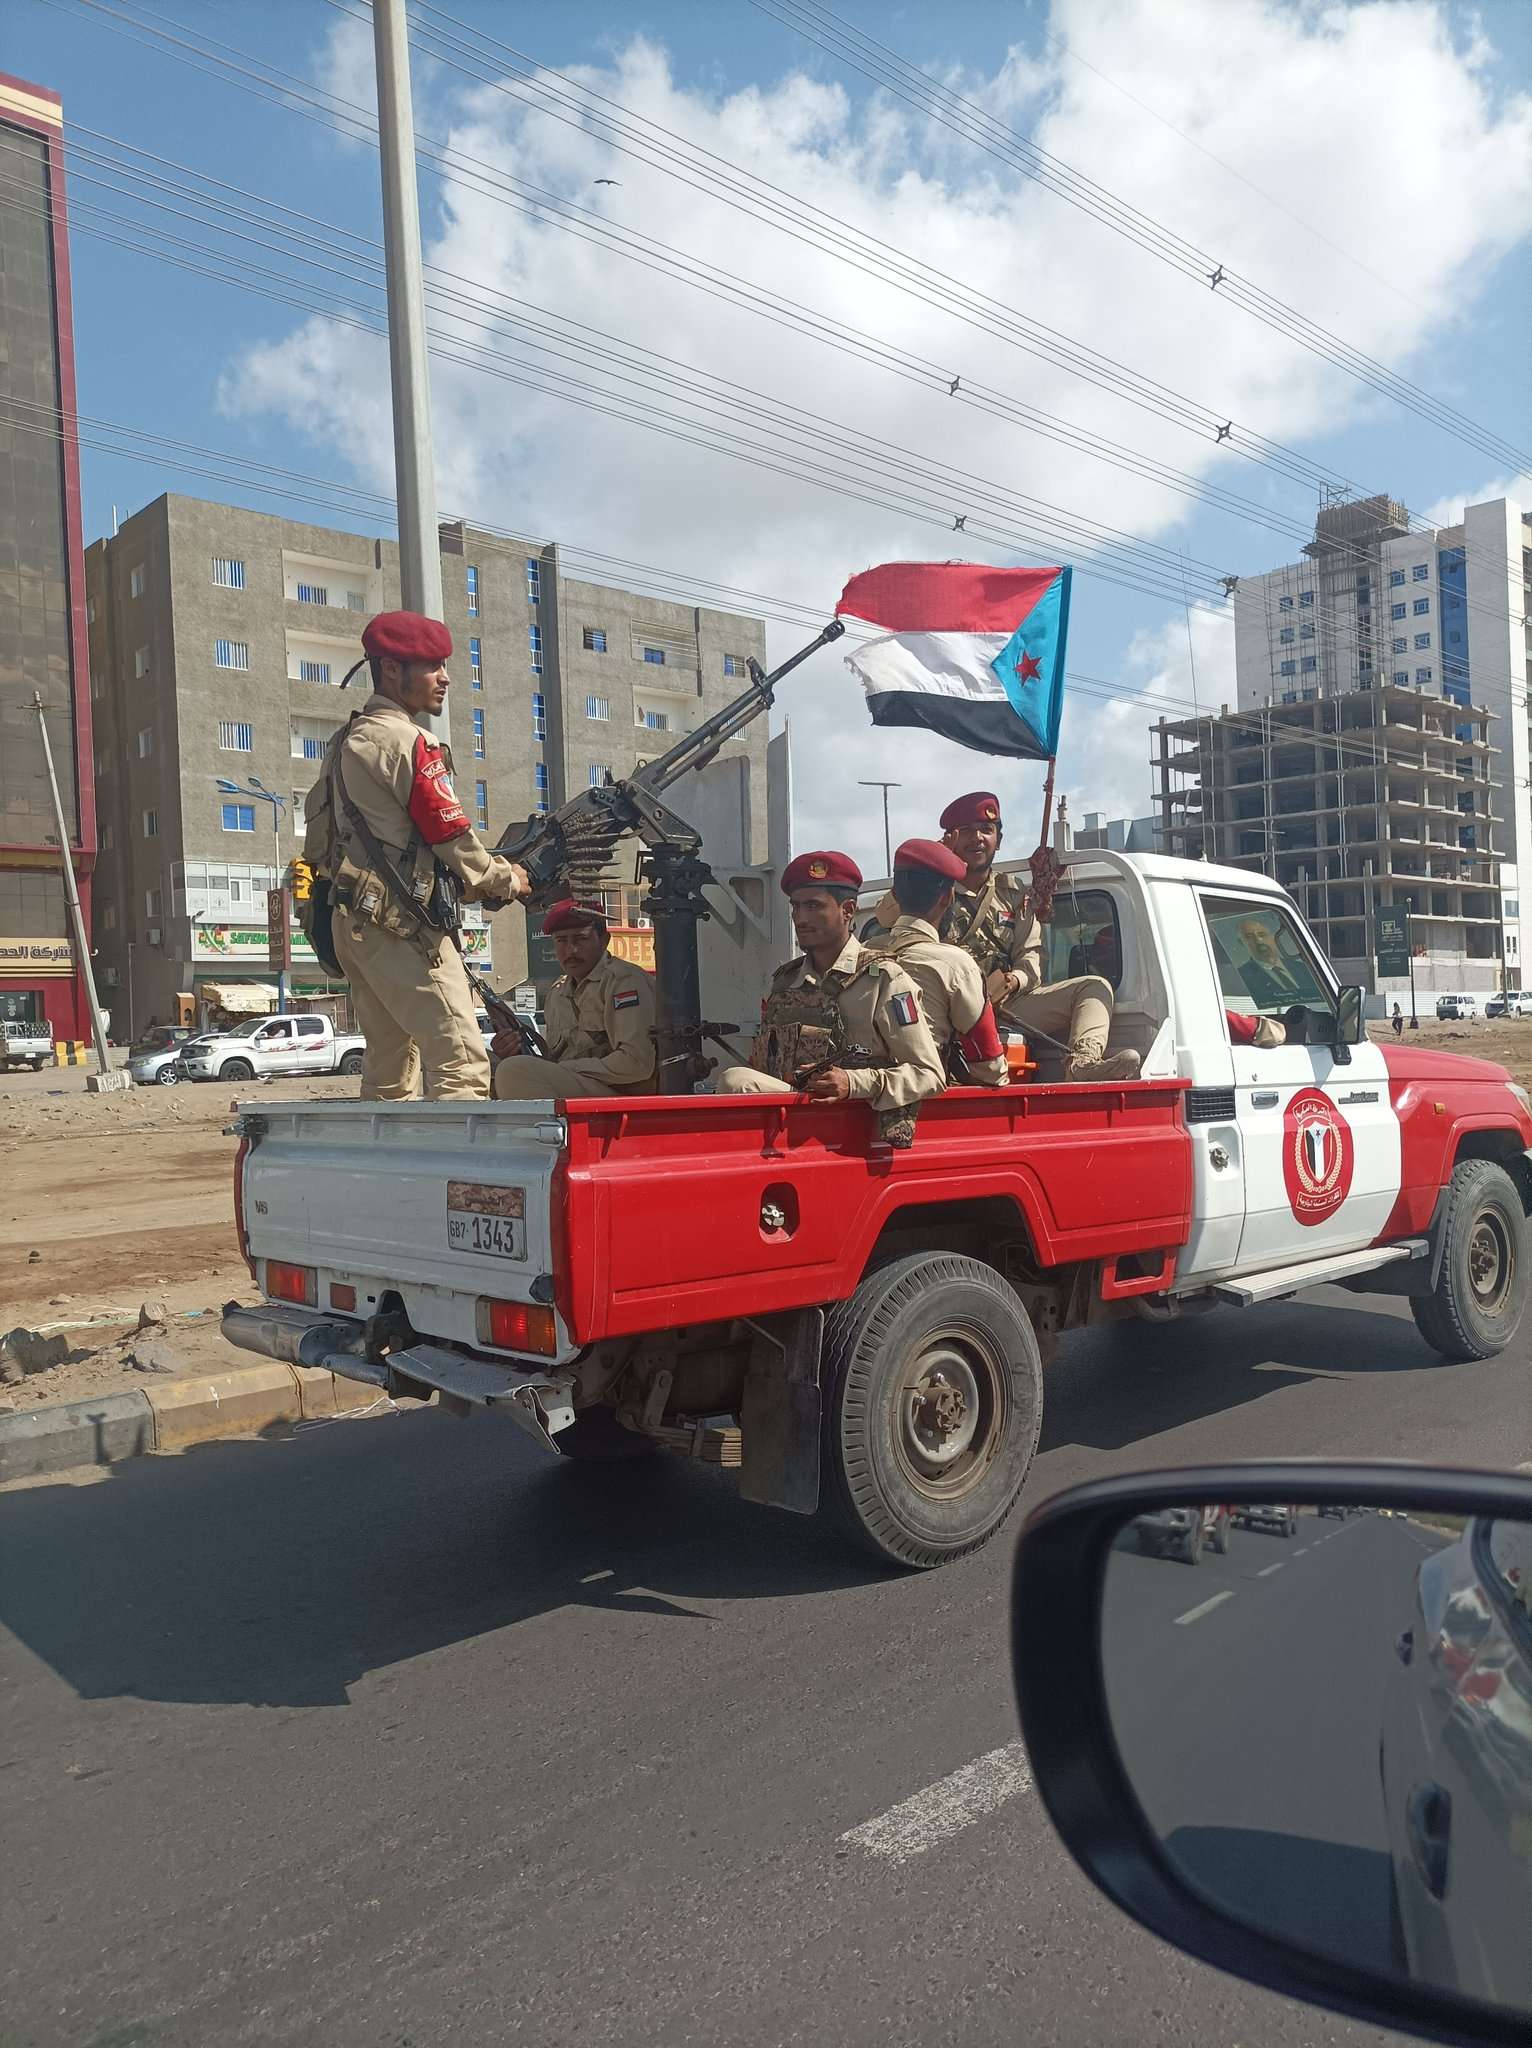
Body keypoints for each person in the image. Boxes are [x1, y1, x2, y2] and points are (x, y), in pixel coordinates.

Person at [301, 610, 528, 1100]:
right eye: (430, 666)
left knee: (389, 1068)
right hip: (401, 928)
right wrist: (505, 878)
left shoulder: (345, 744)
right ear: (390, 670)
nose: (444, 678)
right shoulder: (408, 741)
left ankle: (389, 1174)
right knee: (461, 1062)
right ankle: (454, 1177)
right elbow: (451, 835)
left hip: (354, 927)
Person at [714, 850, 946, 1144]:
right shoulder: (785, 982)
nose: (801, 918)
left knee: (735, 1082)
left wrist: (853, 1082)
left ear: (848, 910)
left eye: (813, 906)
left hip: (853, 1128)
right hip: (786, 1127)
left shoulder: (884, 979)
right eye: (796, 907)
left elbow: (929, 1074)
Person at [934, 791, 1140, 1083]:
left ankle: (1082, 1063)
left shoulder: (1013, 892)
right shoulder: (932, 887)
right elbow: (889, 919)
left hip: (1003, 1006)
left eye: (986, 830)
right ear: (949, 839)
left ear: (999, 840)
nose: (977, 838)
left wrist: (1013, 980)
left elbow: (1032, 956)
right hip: (945, 1008)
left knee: (1093, 987)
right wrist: (934, 863)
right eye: (965, 831)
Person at [866, 839, 1007, 1086]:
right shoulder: (956, 964)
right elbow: (990, 1067)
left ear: (896, 894)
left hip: (853, 1095)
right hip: (925, 1101)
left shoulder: (861, 954)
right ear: (948, 897)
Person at [492, 899, 658, 1098]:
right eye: (561, 941)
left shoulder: (623, 981)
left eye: (580, 939)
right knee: (483, 1065)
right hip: (580, 1088)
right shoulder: (557, 993)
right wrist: (512, 1050)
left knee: (513, 1071)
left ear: (604, 940)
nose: (571, 951)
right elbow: (554, 1059)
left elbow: (636, 1064)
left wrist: (565, 1069)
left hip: (621, 1096)